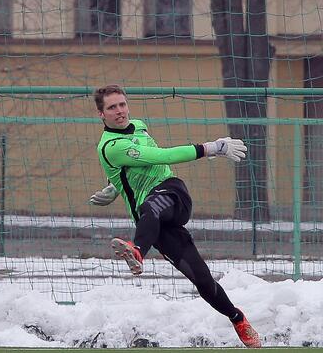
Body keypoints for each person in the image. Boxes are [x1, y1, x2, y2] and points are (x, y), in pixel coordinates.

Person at [90, 84, 261, 348]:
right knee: (201, 278)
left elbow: (157, 159)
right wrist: (117, 186)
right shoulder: (111, 145)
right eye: (112, 107)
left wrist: (115, 187)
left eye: (122, 104)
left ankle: (136, 251)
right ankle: (238, 319)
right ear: (101, 114)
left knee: (151, 206)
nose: (120, 111)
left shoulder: (139, 125)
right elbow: (154, 157)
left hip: (172, 194)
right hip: (152, 223)